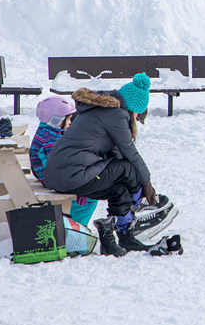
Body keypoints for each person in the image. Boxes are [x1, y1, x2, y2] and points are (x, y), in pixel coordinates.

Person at [44, 73, 166, 256]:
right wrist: (146, 184)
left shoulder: (101, 111)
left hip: (61, 174)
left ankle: (123, 237)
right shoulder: (116, 115)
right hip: (72, 174)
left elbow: (115, 152)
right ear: (134, 108)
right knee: (127, 168)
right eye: (137, 115)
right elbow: (129, 153)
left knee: (119, 188)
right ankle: (138, 205)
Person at [29, 95, 98, 227]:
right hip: (54, 180)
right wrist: (79, 188)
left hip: (50, 176)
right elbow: (59, 168)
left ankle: (74, 226)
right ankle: (75, 228)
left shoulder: (49, 131)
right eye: (68, 119)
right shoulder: (50, 140)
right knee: (90, 198)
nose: (70, 122)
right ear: (56, 120)